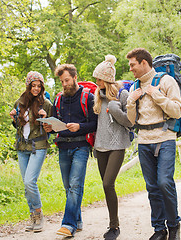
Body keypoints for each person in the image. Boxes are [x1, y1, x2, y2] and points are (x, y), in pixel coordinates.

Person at [125, 48, 181, 240]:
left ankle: (174, 225)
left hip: (165, 138)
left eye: (133, 65)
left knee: (164, 182)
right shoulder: (134, 87)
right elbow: (131, 120)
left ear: (144, 63)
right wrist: (130, 103)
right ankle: (159, 229)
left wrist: (156, 95)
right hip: (144, 141)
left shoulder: (166, 81)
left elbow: (177, 111)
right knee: (152, 187)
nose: (131, 69)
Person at [43, 64, 98, 237]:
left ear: (75, 77)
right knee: (68, 187)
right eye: (62, 81)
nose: (64, 84)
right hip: (63, 147)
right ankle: (78, 221)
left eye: (67, 80)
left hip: (81, 146)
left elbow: (95, 124)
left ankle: (68, 225)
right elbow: (55, 125)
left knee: (75, 185)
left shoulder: (88, 98)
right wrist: (49, 128)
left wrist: (80, 126)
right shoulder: (58, 99)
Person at [92, 55, 133, 240]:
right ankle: (113, 223)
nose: (96, 82)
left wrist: (115, 110)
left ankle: (114, 227)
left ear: (107, 79)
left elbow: (130, 122)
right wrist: (94, 144)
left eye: (99, 79)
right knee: (106, 187)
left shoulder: (122, 94)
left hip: (117, 145)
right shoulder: (97, 96)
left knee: (108, 183)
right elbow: (98, 124)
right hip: (100, 146)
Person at [9, 71, 53, 232]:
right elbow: (19, 127)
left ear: (42, 87)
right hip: (22, 147)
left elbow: (52, 127)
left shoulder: (46, 104)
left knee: (30, 181)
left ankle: (39, 214)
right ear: (28, 86)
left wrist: (45, 117)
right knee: (26, 184)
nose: (36, 89)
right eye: (33, 86)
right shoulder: (19, 102)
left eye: (38, 86)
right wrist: (14, 118)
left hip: (39, 146)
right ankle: (32, 216)